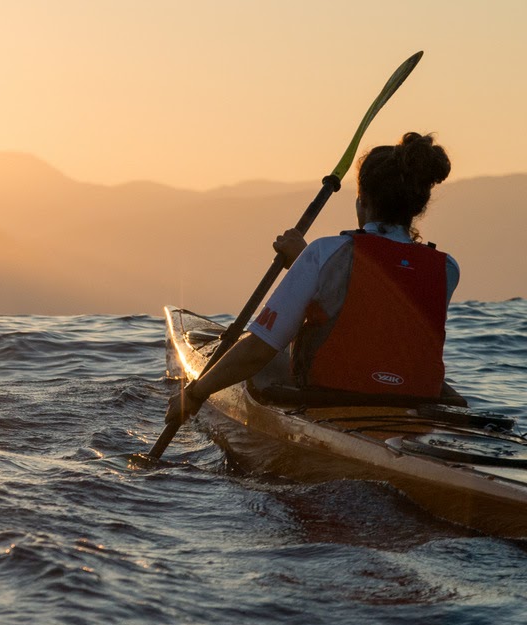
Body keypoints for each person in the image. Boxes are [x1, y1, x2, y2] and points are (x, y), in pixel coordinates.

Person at [168, 132, 459, 425]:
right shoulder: (446, 267)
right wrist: (303, 265)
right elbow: (379, 303)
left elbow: (258, 350)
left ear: (363, 201)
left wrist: (194, 393)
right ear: (417, 208)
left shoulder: (325, 253)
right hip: (414, 403)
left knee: (265, 360)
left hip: (328, 396)